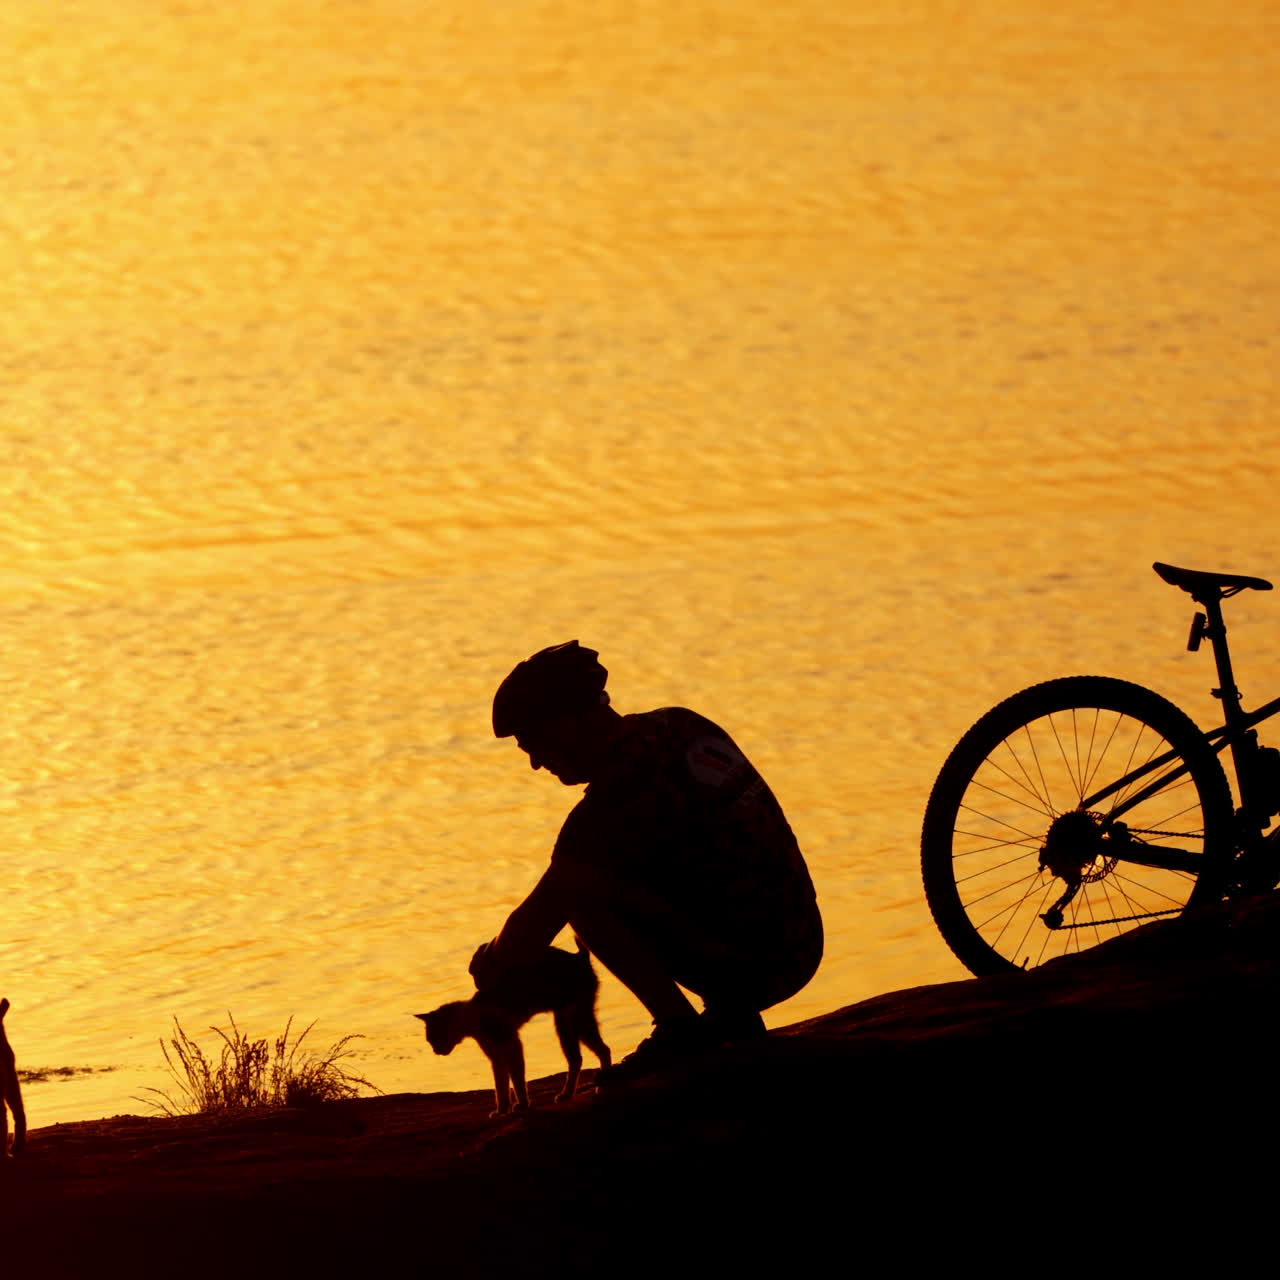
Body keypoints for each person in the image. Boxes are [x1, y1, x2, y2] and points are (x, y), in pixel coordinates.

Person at [471, 640, 823, 1083]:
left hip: (757, 966)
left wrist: (492, 959)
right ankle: (728, 1016)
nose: (536, 763)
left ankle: (679, 1026)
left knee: (579, 897)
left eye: (534, 744)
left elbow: (527, 938)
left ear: (570, 721)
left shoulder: (610, 805)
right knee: (615, 874)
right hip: (802, 937)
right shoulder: (681, 725)